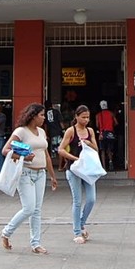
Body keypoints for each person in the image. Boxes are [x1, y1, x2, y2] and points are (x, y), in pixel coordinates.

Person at [0, 102, 58, 254]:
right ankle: (6, 232)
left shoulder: (42, 132)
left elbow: (46, 155)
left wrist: (52, 175)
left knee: (37, 210)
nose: (44, 118)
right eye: (41, 115)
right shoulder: (21, 131)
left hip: (41, 174)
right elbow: (6, 150)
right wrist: (24, 157)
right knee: (29, 208)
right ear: (32, 116)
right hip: (25, 173)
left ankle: (36, 243)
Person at [57, 105, 99, 244]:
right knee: (77, 201)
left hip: (87, 169)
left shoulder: (90, 131)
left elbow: (96, 148)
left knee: (92, 199)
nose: (86, 120)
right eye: (83, 117)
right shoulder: (71, 131)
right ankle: (77, 232)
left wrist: (88, 142)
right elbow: (61, 150)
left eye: (88, 117)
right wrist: (75, 159)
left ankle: (81, 223)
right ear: (76, 117)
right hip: (74, 169)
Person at [95, 100, 118, 172]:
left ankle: (104, 167)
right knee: (109, 149)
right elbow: (116, 123)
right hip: (110, 133)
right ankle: (110, 161)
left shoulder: (98, 115)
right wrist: (111, 126)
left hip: (102, 134)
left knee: (102, 150)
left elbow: (97, 125)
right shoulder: (111, 113)